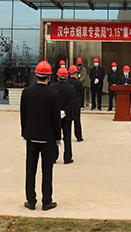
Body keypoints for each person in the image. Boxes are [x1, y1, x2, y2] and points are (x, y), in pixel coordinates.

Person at [20, 61, 61, 211]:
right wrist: (58, 137)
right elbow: (56, 119)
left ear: (36, 75)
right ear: (49, 77)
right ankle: (46, 201)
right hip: (48, 138)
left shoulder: (27, 92)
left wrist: (25, 132)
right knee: (47, 171)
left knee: (30, 170)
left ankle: (31, 201)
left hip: (31, 136)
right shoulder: (53, 94)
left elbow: (23, 115)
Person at [50, 67, 75, 165]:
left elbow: (51, 101)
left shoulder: (52, 87)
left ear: (58, 77)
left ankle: (53, 157)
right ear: (67, 77)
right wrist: (65, 111)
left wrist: (57, 111)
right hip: (67, 116)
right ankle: (67, 158)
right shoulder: (71, 87)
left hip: (55, 116)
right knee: (67, 137)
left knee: (54, 137)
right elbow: (72, 101)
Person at [67, 65, 83, 142]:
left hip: (68, 103)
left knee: (67, 121)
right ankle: (78, 136)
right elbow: (81, 94)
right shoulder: (79, 83)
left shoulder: (67, 82)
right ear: (76, 73)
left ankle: (66, 136)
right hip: (76, 103)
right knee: (77, 120)